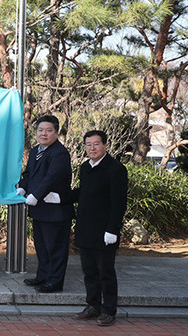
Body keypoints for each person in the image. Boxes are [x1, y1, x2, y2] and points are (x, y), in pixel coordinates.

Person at [72, 130, 128, 326]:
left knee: (106, 272)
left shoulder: (116, 169)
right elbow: (83, 193)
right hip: (86, 228)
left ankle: (108, 310)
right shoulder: (85, 168)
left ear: (105, 145)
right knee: (89, 271)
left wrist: (113, 229)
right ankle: (93, 305)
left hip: (105, 232)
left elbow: (119, 203)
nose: (92, 148)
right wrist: (60, 197)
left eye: (96, 144)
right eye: (88, 144)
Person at [17, 114, 73, 293]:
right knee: (41, 246)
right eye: (40, 130)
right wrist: (23, 188)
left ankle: (55, 282)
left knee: (55, 248)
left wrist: (36, 195)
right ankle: (43, 276)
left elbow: (51, 178)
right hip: (39, 209)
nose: (44, 134)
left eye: (49, 130)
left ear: (56, 133)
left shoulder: (60, 153)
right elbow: (29, 174)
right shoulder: (35, 151)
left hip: (55, 211)